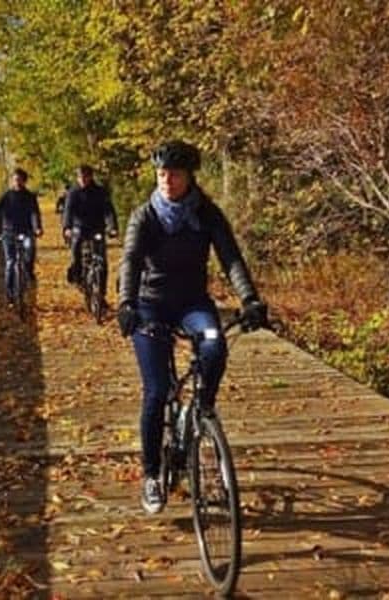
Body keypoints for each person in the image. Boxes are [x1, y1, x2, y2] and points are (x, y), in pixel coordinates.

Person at [116, 140, 268, 515]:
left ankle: (201, 411)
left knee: (215, 346)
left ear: (190, 177)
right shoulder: (144, 216)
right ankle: (152, 474)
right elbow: (131, 260)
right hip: (150, 306)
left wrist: (249, 299)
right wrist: (126, 303)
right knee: (156, 391)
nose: (167, 180)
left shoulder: (206, 214)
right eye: (162, 173)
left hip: (192, 304)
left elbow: (230, 257)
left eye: (176, 174)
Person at [0, 168, 43, 303]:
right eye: (15, 180)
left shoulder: (30, 197)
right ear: (12, 180)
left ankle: (28, 272)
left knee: (30, 250)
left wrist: (37, 227)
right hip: (9, 233)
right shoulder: (7, 196)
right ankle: (10, 293)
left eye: (20, 180)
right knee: (10, 262)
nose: (17, 182)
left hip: (26, 232)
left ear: (24, 181)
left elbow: (35, 213)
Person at [62, 165, 118, 292]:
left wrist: (112, 227)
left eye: (85, 177)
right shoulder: (73, 192)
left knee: (102, 261)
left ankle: (101, 293)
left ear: (91, 177)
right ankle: (77, 276)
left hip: (96, 228)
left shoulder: (100, 192)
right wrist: (67, 227)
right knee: (76, 251)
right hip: (79, 228)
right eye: (80, 177)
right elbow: (68, 211)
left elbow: (108, 211)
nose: (83, 180)